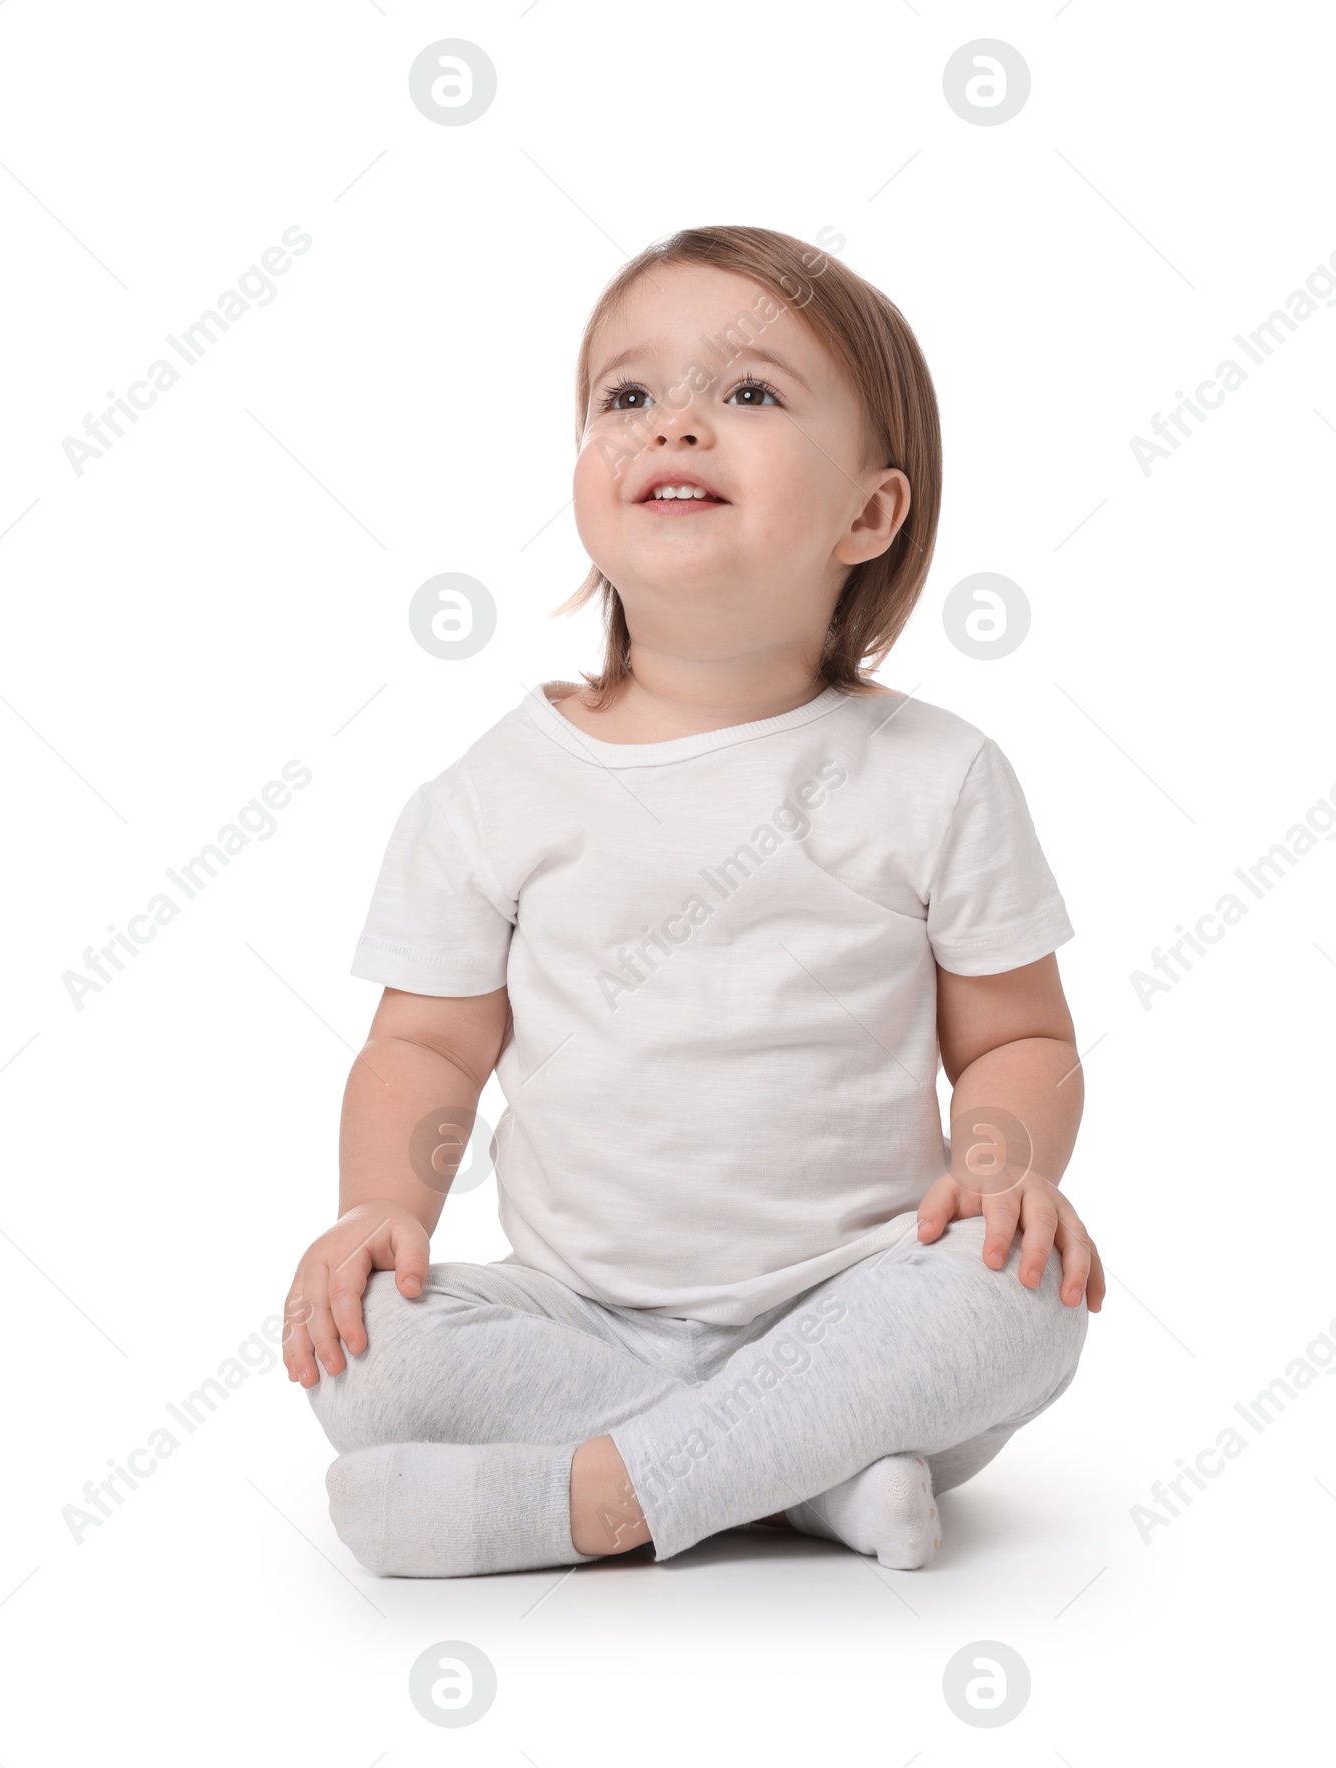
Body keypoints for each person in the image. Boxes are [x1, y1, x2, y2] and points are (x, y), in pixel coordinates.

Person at [283, 225, 1104, 1577]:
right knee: (370, 1350)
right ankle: (813, 1478)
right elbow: (424, 1047)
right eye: (628, 396)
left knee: (1029, 1301)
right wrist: (385, 1212)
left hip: (861, 1300)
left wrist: (1004, 1173)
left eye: (749, 393)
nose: (675, 424)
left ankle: (597, 1501)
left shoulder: (938, 777)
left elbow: (1018, 1037)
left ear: (869, 514)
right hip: (579, 1322)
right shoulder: (496, 788)